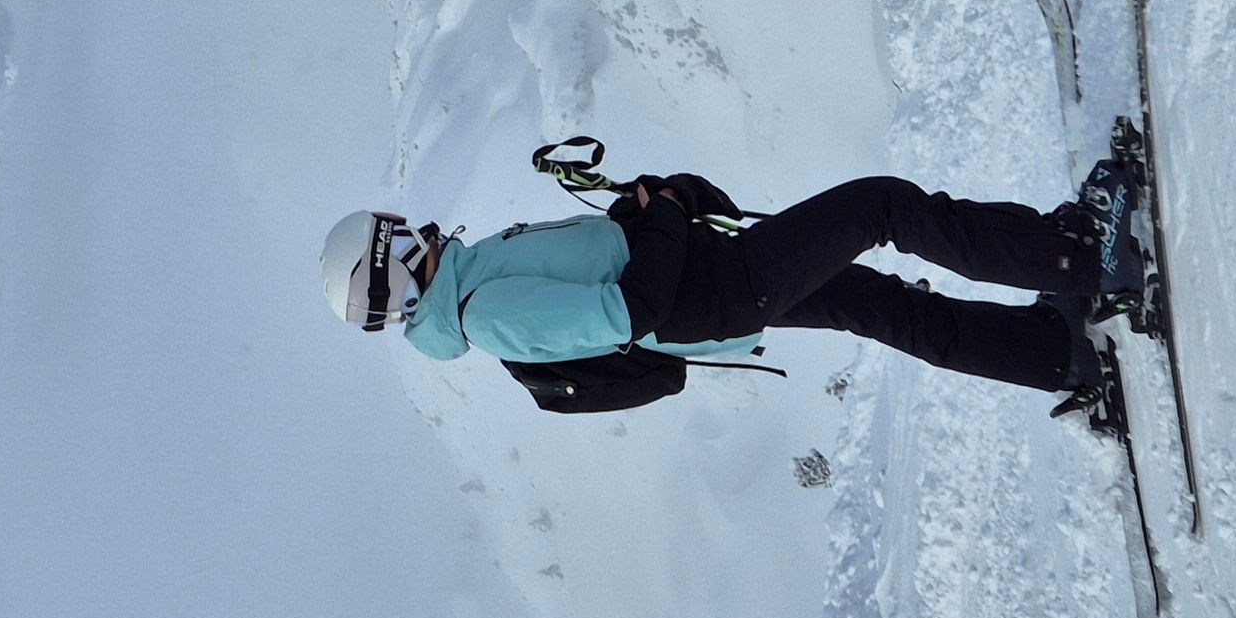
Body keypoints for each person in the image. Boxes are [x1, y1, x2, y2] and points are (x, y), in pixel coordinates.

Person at [321, 167, 1120, 416]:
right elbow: (626, 312)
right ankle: (1079, 258)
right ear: (390, 279)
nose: (409, 229)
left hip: (708, 284)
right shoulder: (485, 312)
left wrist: (640, 210)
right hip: (715, 292)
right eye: (391, 239)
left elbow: (601, 272)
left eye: (392, 223)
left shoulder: (474, 280)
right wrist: (663, 218)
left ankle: (1052, 352)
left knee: (871, 302)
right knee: (883, 207)